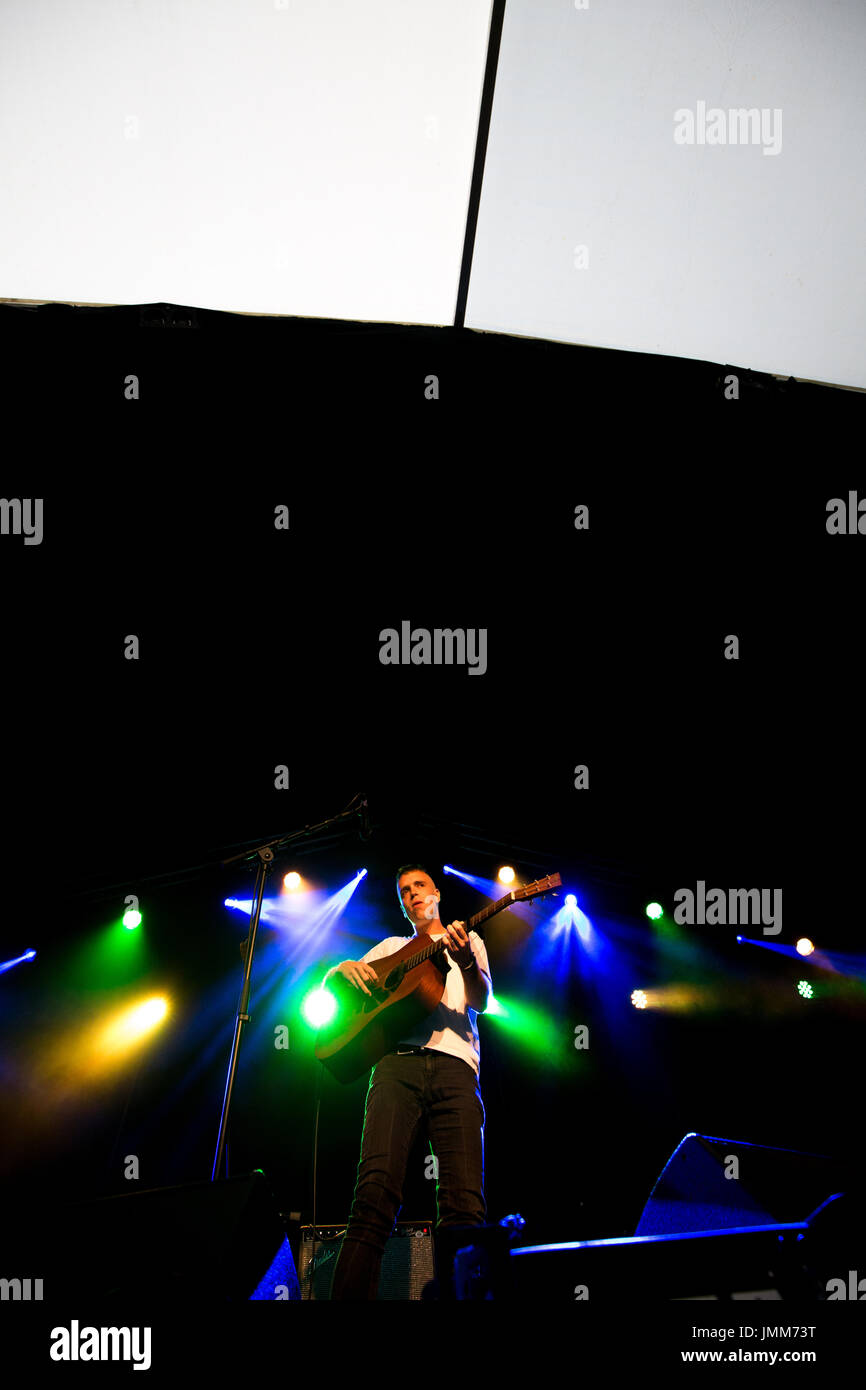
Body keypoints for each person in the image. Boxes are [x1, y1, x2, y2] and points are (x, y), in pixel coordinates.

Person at [322, 863, 492, 1300]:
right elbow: (343, 989)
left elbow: (482, 1000)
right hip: (396, 1067)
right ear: (402, 905)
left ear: (437, 893)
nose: (412, 893)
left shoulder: (468, 938)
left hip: (456, 1068)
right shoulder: (393, 946)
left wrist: (467, 961)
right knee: (374, 1194)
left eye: (419, 886)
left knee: (464, 1205)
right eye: (404, 890)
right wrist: (337, 971)